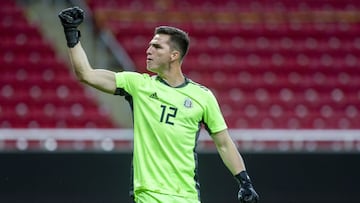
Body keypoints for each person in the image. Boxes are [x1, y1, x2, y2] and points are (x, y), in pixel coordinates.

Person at [58, 6, 259, 203]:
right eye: (150, 45)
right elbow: (86, 74)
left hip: (187, 196)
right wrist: (71, 34)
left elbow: (223, 143)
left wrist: (245, 182)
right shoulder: (138, 85)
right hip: (149, 195)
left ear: (174, 55)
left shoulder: (203, 96)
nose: (148, 50)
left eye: (157, 46)